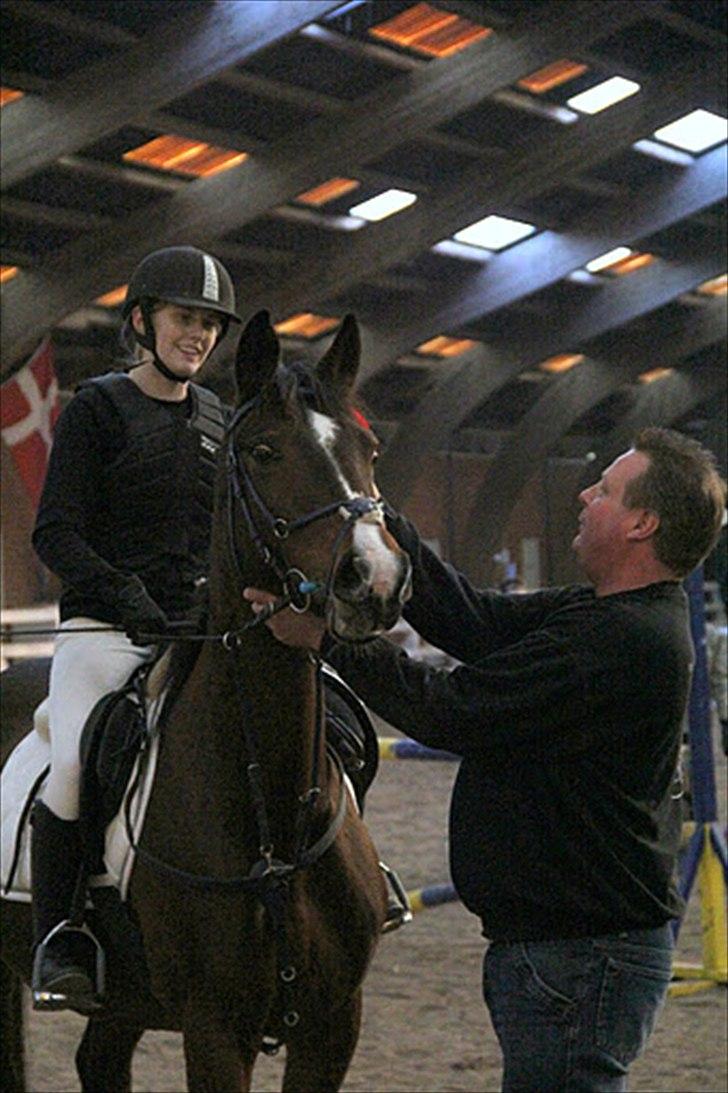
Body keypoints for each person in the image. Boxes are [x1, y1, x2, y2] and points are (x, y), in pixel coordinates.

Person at [244, 427, 726, 1092]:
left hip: (579, 954)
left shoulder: (622, 640)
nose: (585, 494)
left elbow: (451, 709)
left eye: (606, 490)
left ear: (643, 523)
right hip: (567, 948)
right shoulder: (607, 612)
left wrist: (327, 637)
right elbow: (474, 620)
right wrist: (369, 511)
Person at [30, 245, 240, 1012]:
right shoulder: (97, 408)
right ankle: (63, 934)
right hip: (101, 632)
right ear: (144, 320)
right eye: (187, 319)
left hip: (192, 633)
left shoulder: (219, 419)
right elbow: (54, 534)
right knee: (76, 764)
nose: (199, 337)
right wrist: (121, 591)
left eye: (211, 326)